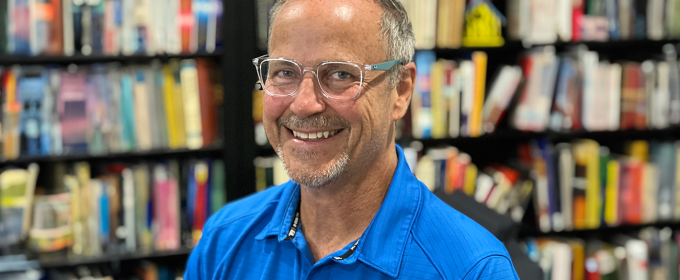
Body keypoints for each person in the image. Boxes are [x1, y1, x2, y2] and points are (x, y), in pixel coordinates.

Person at [184, 0, 520, 279]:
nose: (303, 104)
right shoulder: (224, 241)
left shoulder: (472, 269)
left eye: (340, 74)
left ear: (401, 90)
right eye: (285, 72)